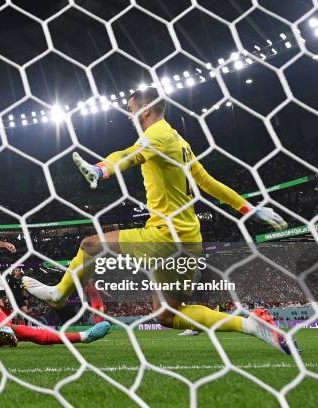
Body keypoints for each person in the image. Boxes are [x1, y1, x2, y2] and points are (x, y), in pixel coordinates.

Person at [23, 87, 296, 355]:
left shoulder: (156, 135)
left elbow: (128, 155)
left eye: (131, 111)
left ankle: (60, 294)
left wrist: (101, 169)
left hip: (164, 237)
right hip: (190, 240)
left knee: (90, 245)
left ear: (147, 110)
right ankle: (250, 325)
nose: (130, 118)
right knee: (167, 314)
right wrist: (248, 208)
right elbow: (207, 182)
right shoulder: (180, 142)